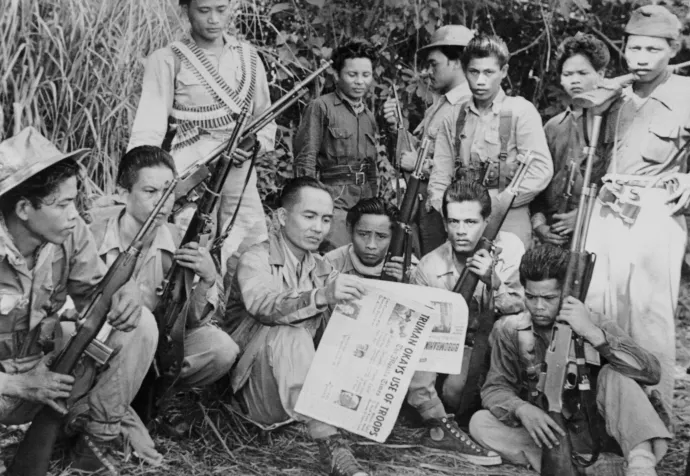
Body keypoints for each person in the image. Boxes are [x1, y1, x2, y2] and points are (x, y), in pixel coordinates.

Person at [0, 127, 160, 473]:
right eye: (63, 204)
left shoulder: (70, 233)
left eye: (75, 202)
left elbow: (100, 290)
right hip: (6, 386)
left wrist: (126, 288)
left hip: (47, 377)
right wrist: (15, 385)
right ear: (25, 208)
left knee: (139, 323)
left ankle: (96, 440)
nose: (74, 214)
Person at [470, 244, 672, 476]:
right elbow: (495, 388)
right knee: (481, 423)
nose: (538, 307)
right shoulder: (510, 329)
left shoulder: (593, 321)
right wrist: (521, 409)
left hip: (602, 433)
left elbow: (651, 372)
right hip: (548, 434)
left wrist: (594, 334)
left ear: (566, 295)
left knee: (616, 376)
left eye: (549, 298)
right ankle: (593, 468)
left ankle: (640, 466)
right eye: (531, 297)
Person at [583, 4, 690, 420]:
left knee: (650, 318)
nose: (641, 58)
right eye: (634, 48)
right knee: (599, 309)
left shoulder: (685, 94)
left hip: (655, 216)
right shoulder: (617, 96)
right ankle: (603, 413)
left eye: (653, 49)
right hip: (609, 212)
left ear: (672, 49)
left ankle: (656, 417)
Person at [226, 177, 370, 476]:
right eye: (309, 216)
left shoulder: (321, 267)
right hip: (253, 389)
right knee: (289, 333)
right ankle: (330, 444)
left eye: (326, 219)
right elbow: (265, 307)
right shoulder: (255, 258)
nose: (318, 227)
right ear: (281, 217)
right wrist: (321, 296)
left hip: (296, 393)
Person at [128, 0, 276, 267]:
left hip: (239, 170)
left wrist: (253, 147)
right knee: (189, 250)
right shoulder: (167, 59)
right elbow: (148, 128)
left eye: (221, 9)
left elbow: (265, 120)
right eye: (204, 10)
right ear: (186, 10)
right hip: (192, 172)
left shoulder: (248, 57)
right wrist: (142, 180)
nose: (214, 19)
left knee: (250, 251)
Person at [88, 146, 238, 393]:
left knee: (220, 348)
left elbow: (191, 321)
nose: (162, 201)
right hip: (98, 339)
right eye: (150, 191)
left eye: (168, 191)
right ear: (124, 194)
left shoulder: (178, 240)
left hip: (157, 344)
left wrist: (207, 279)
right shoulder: (92, 234)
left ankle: (153, 395)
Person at [405, 178, 525, 466]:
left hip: (502, 347)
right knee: (455, 393)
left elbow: (525, 304)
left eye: (470, 222)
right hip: (459, 348)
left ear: (486, 221)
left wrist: (493, 283)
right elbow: (425, 332)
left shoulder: (510, 248)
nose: (460, 231)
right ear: (445, 223)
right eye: (454, 222)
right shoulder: (430, 266)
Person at [428, 34, 553, 248]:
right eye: (474, 72)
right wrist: (450, 213)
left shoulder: (520, 112)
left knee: (507, 278)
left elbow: (540, 170)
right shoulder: (453, 117)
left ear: (503, 72)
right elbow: (440, 177)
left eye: (489, 72)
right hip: (461, 224)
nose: (480, 81)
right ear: (464, 70)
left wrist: (495, 204)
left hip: (508, 219)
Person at [382, 25, 475, 255]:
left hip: (449, 214)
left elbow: (468, 168)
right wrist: (397, 125)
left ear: (457, 61)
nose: (428, 71)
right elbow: (416, 151)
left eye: (434, 64)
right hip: (425, 210)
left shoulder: (469, 106)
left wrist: (421, 167)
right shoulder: (441, 104)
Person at [293, 40, 383, 251]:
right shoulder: (321, 107)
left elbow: (371, 168)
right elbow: (305, 159)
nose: (360, 82)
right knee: (335, 258)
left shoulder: (369, 116)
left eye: (366, 75)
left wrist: (375, 206)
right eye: (352, 75)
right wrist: (308, 206)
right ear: (337, 74)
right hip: (333, 199)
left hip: (364, 201)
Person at [531, 33, 611, 246]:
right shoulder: (553, 126)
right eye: (568, 74)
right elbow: (539, 184)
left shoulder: (613, 122)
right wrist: (539, 226)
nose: (575, 80)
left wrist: (584, 215)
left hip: (600, 230)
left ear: (601, 74)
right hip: (555, 232)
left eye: (583, 73)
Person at [325, 197, 414, 281]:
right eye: (363, 234)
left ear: (394, 237)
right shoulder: (330, 264)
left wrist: (406, 283)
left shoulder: (407, 267)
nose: (371, 245)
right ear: (350, 230)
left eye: (381, 236)